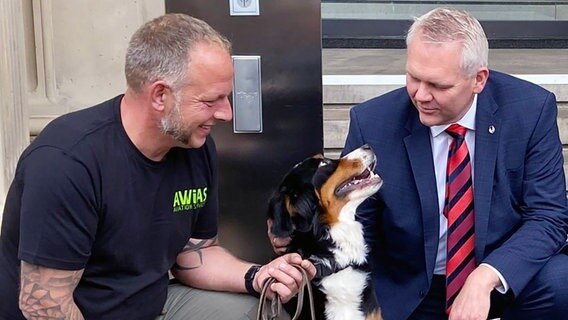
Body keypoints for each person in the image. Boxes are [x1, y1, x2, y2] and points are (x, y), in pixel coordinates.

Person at [0, 13, 315, 320]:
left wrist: (258, 276)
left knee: (256, 312)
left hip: (154, 304)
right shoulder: (67, 162)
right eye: (210, 101)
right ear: (160, 95)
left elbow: (193, 254)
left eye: (227, 98)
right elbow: (43, 306)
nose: (226, 114)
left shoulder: (193, 146)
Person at [270, 7, 568, 320]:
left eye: (438, 86)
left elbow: (548, 216)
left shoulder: (529, 111)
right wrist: (313, 264)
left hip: (498, 280)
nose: (420, 95)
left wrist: (486, 275)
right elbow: (357, 220)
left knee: (561, 282)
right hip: (409, 285)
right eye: (413, 77)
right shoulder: (374, 122)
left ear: (478, 79)